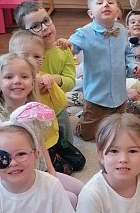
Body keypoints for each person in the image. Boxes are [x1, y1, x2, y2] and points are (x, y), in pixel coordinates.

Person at [0, 52, 83, 207]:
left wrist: (51, 171)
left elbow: (40, 143)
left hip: (40, 171)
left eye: (24, 76)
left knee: (82, 189)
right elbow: (2, 164)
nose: (17, 81)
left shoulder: (32, 110)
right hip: (18, 180)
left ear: (32, 83)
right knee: (70, 199)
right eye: (9, 77)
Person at [9, 30, 85, 173]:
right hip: (37, 143)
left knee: (80, 162)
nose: (32, 60)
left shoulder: (45, 77)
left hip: (53, 135)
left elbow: (61, 102)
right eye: (25, 56)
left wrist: (52, 86)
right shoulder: (16, 84)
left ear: (43, 59)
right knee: (66, 170)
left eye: (37, 56)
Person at [69, 0, 128, 141]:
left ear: (117, 11)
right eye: (100, 3)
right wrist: (67, 45)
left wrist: (134, 66)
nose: (106, 5)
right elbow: (72, 46)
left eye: (110, 2)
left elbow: (128, 52)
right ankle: (72, 120)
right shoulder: (84, 33)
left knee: (116, 129)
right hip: (97, 96)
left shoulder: (122, 31)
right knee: (87, 134)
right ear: (91, 14)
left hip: (119, 94)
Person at [14, 0, 76, 142]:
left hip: (57, 107)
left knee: (67, 142)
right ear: (25, 33)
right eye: (36, 26)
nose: (44, 28)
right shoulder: (21, 55)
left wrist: (53, 79)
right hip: (30, 109)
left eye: (46, 20)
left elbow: (71, 81)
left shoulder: (63, 50)